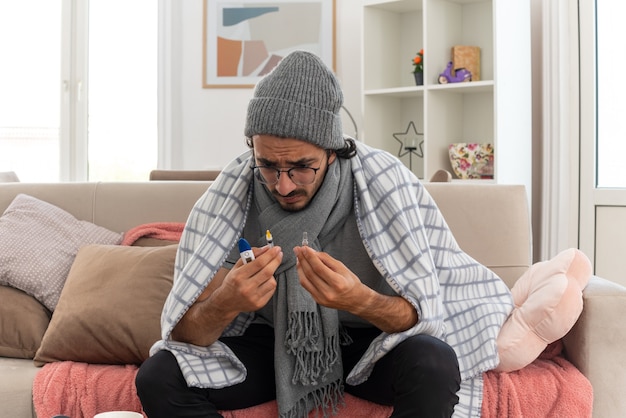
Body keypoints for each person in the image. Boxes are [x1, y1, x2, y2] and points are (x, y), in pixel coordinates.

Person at [135, 50, 514, 418]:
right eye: (267, 165)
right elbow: (183, 334)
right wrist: (227, 301)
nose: (282, 186)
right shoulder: (231, 194)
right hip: (269, 343)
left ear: (334, 152)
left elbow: (421, 317)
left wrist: (360, 300)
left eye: (302, 167)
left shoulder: (383, 182)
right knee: (159, 376)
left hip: (371, 342)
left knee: (434, 362)